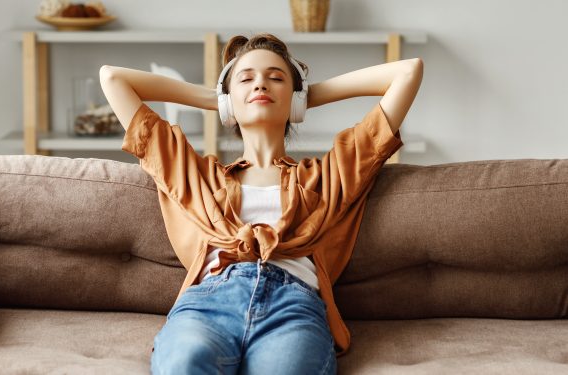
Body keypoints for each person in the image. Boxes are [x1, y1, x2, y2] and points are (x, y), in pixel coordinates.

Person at [100, 32, 423, 375]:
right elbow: (113, 79)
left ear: (296, 99)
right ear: (229, 101)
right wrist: (218, 100)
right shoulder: (197, 176)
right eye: (246, 78)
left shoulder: (327, 177)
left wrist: (305, 97)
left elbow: (407, 72)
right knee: (186, 362)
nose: (261, 85)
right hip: (209, 304)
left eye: (276, 78)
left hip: (292, 307)